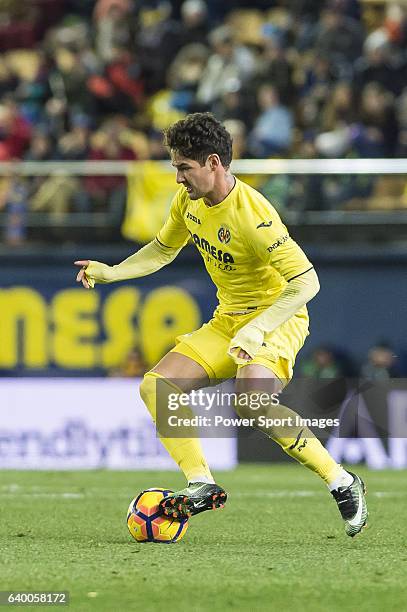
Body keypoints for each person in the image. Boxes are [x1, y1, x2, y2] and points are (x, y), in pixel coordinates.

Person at [75, 113, 368, 537]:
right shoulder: (189, 203)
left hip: (275, 318)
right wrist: (112, 272)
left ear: (213, 163)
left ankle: (342, 481)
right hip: (227, 319)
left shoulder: (254, 215)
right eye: (175, 167)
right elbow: (161, 249)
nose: (177, 178)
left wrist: (257, 329)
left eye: (183, 168)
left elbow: (307, 282)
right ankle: (201, 484)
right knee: (157, 385)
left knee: (251, 401)